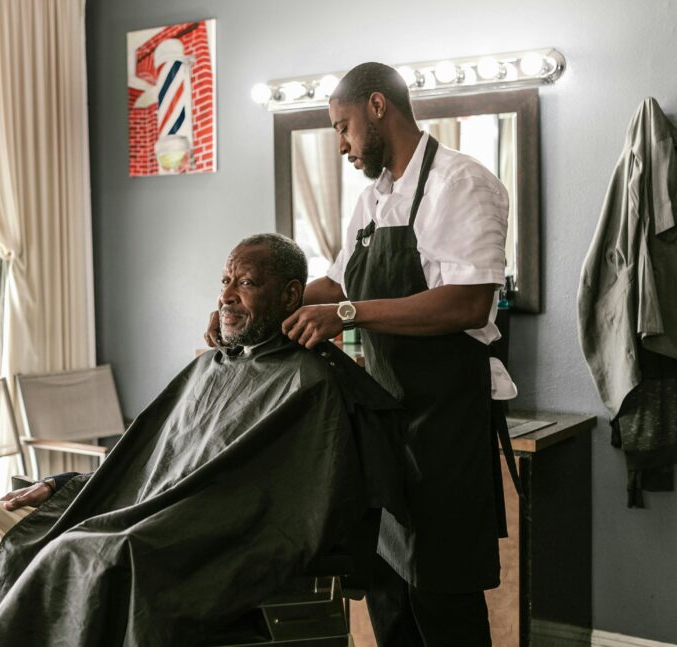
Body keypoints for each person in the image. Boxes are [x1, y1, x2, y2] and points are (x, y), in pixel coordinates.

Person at [0, 233, 409, 647]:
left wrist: (135, 522)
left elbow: (263, 505)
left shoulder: (307, 383)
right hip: (136, 503)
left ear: (289, 296)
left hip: (176, 529)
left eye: (245, 283)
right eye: (225, 282)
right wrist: (65, 485)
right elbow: (153, 460)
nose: (226, 297)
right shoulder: (212, 366)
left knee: (70, 554)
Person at [206, 64, 517, 647]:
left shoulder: (461, 183)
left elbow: (469, 304)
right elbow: (335, 285)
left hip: (445, 430)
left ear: (378, 106)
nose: (342, 144)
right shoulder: (374, 201)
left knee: (443, 603)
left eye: (343, 127)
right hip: (387, 429)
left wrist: (348, 315)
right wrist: (243, 308)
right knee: (389, 596)